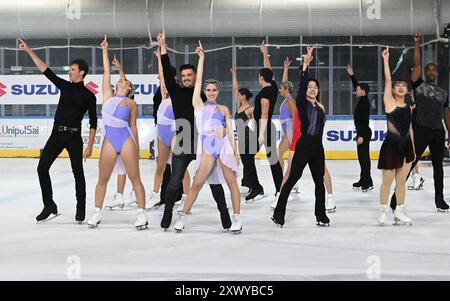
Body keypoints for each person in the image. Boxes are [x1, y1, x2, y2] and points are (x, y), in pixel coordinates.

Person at [156, 30, 232, 230]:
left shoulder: (202, 97)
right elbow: (165, 69)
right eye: (183, 76)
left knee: (214, 182)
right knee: (174, 182)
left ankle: (224, 213)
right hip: (183, 141)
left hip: (203, 143)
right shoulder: (175, 91)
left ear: (195, 77)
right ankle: (168, 212)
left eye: (190, 75)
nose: (186, 78)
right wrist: (163, 46)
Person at [19, 38, 97, 224]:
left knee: (78, 173)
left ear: (82, 72)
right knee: (42, 168)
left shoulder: (89, 96)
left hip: (73, 137)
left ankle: (81, 208)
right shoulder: (65, 86)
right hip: (57, 135)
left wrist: (90, 146)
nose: (69, 72)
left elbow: (93, 122)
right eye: (69, 70)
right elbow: (45, 70)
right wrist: (29, 51)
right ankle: (49, 205)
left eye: (72, 70)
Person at [174, 41, 242, 234]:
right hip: (207, 147)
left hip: (224, 147)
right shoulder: (199, 105)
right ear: (204, 92)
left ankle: (237, 218)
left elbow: (230, 133)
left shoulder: (224, 109)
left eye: (214, 90)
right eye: (208, 89)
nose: (211, 92)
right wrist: (202, 58)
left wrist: (236, 153)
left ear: (218, 92)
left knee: (231, 184)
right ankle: (183, 217)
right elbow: (198, 79)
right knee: (197, 183)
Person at [87, 35, 148, 230]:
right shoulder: (107, 95)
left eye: (126, 82)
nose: (122, 82)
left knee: (135, 177)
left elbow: (133, 126)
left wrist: (137, 147)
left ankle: (142, 213)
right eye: (121, 81)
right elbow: (107, 72)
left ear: (129, 88)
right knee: (102, 178)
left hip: (126, 139)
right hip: (109, 139)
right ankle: (97, 211)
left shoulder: (131, 103)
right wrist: (104, 50)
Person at [389, 32, 450, 212]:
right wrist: (417, 43)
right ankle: (395, 198)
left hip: (438, 132)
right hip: (421, 130)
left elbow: (446, 114)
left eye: (433, 69)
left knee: (439, 168)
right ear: (424, 73)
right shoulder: (420, 86)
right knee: (410, 164)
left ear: (437, 73)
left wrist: (449, 134)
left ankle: (440, 199)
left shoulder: (443, 92)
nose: (431, 71)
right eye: (428, 69)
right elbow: (416, 64)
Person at [272, 45, 330, 227]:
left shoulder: (321, 107)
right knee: (292, 179)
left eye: (315, 87)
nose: (312, 89)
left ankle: (321, 215)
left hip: (317, 147)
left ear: (318, 90)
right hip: (303, 144)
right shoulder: (302, 103)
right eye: (310, 87)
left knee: (319, 182)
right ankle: (278, 213)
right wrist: (306, 64)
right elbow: (302, 83)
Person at [377, 47, 415, 226]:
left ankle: (399, 210)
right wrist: (386, 60)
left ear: (407, 90)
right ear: (393, 90)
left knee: (401, 182)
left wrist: (413, 150)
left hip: (406, 147)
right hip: (391, 147)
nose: (400, 87)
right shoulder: (389, 103)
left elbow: (410, 129)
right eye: (397, 85)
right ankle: (384, 209)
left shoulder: (408, 107)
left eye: (403, 85)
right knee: (387, 180)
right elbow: (388, 79)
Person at [149, 47, 190, 209]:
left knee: (181, 167)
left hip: (175, 133)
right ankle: (154, 194)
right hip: (161, 133)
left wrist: (162, 57)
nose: (164, 84)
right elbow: (163, 74)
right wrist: (159, 58)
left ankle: (186, 197)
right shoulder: (164, 94)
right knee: (160, 166)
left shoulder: (178, 94)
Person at [245, 41, 283, 202]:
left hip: (264, 128)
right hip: (264, 128)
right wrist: (264, 53)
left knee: (248, 156)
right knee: (271, 159)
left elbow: (265, 114)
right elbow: (269, 70)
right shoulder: (273, 87)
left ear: (261, 78)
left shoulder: (266, 93)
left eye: (259, 76)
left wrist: (260, 134)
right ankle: (279, 189)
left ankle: (259, 188)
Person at [346, 64, 374, 192]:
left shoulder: (365, 103)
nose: (356, 90)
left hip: (364, 133)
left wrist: (361, 135)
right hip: (362, 132)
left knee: (364, 158)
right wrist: (352, 75)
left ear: (363, 91)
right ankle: (364, 179)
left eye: (358, 89)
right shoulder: (363, 100)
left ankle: (367, 182)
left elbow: (364, 121)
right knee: (362, 158)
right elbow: (357, 86)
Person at [230, 66, 256, 196]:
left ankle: (252, 185)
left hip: (248, 138)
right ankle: (249, 184)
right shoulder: (239, 106)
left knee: (248, 163)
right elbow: (236, 88)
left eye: (239, 95)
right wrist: (234, 74)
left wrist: (258, 136)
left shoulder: (250, 109)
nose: (236, 96)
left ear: (244, 96)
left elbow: (257, 122)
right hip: (242, 138)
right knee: (246, 163)